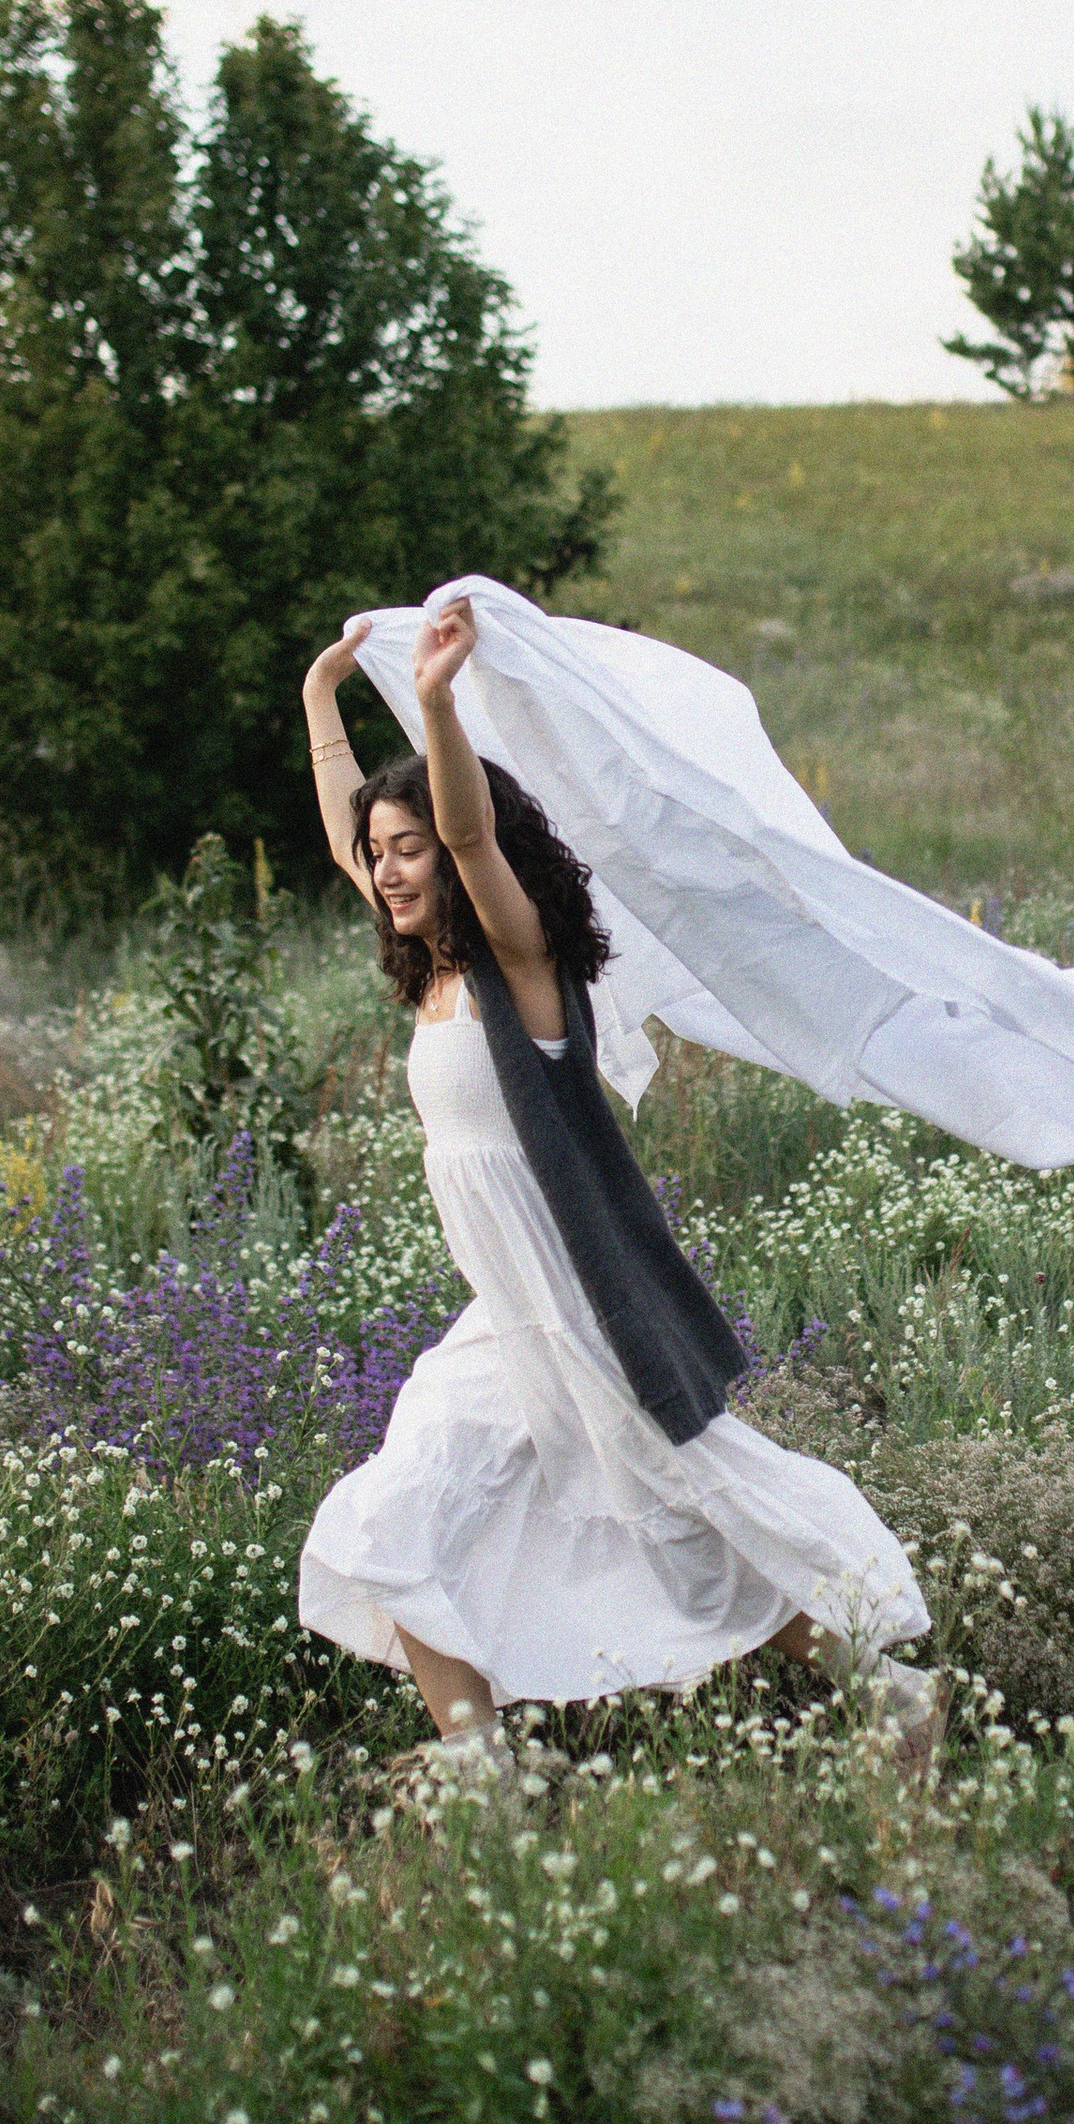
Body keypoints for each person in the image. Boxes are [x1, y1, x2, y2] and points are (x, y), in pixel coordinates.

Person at [294, 597, 941, 1778]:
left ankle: (888, 1695)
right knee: (399, 1511)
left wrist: (434, 705)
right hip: (505, 1319)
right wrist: (319, 700)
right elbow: (349, 829)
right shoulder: (429, 972)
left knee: (694, 1526)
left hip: (588, 1309)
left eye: (409, 847)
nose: (387, 868)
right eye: (378, 851)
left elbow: (476, 839)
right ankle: (479, 1770)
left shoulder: (523, 978)